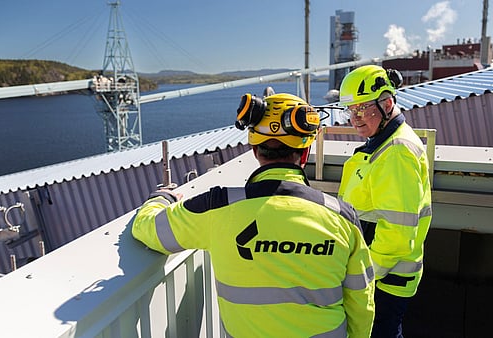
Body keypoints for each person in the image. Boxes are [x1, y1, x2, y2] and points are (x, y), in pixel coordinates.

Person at [131, 92, 376, 337]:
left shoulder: (217, 207)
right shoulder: (343, 218)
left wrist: (162, 198)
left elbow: (148, 229)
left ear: (255, 150)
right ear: (304, 153)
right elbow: (362, 304)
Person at [337, 65, 432, 337]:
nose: (354, 118)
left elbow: (397, 234)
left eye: (361, 109)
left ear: (387, 103)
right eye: (350, 111)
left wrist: (361, 278)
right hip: (380, 274)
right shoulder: (382, 143)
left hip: (383, 279)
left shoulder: (396, 152)